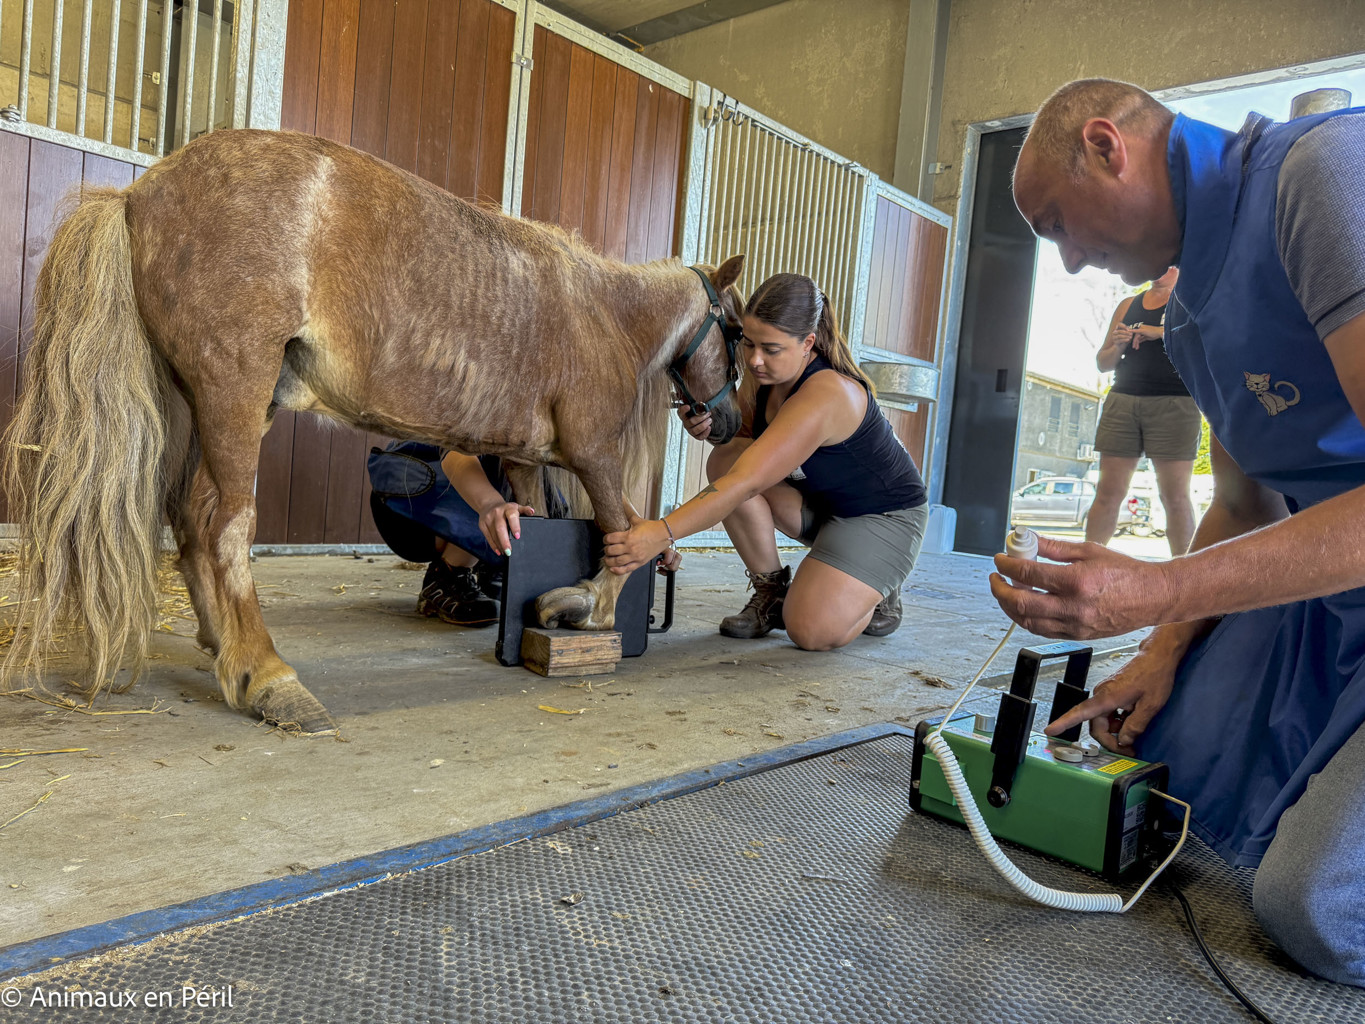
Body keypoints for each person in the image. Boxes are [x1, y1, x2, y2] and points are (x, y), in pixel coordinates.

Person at [1003, 78, 1365, 985]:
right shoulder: (1188, 310)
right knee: (1160, 775)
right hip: (1333, 584)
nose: (1071, 263)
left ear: (1104, 145)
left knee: (1311, 910)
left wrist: (1158, 587)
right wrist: (1159, 647)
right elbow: (1245, 507)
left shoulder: (1321, 171)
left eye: (1055, 225)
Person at [602, 273, 929, 651]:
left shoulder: (828, 392)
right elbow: (738, 443)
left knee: (809, 631)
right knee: (725, 459)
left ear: (808, 343)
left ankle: (877, 588)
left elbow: (748, 481)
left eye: (771, 349)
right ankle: (771, 592)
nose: (755, 360)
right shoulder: (765, 376)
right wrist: (707, 427)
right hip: (822, 506)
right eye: (748, 343)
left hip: (881, 518)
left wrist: (661, 533)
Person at [366, 443, 544, 628]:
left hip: (428, 494)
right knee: (496, 480)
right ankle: (448, 575)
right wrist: (491, 504)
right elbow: (455, 451)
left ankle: (494, 567)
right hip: (407, 508)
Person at [1088, 266, 1200, 554]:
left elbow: (1204, 340)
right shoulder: (1129, 304)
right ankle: (1086, 566)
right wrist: (1118, 344)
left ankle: (1185, 577)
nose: (1156, 269)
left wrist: (1158, 332)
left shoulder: (1192, 297)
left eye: (1164, 265)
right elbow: (1104, 362)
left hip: (1175, 402)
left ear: (1178, 265)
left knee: (1174, 497)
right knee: (1108, 493)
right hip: (1123, 400)